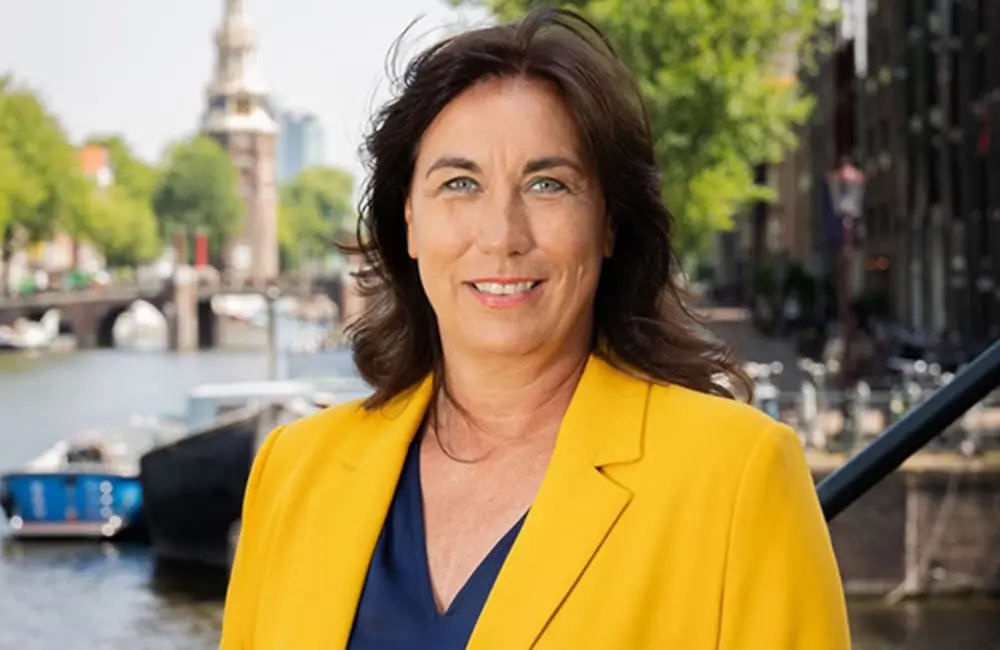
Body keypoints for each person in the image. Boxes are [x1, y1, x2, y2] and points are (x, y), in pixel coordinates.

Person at [219, 8, 850, 650]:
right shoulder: (293, 471)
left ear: (608, 222)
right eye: (459, 183)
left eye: (548, 184)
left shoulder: (737, 477)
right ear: (407, 218)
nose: (502, 237)